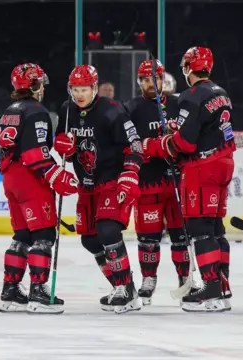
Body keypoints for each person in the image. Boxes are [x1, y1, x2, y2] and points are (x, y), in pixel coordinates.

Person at [142, 47, 235, 312]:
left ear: (187, 68)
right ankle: (222, 284)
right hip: (224, 163)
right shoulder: (221, 93)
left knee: (200, 229)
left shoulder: (190, 96)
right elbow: (209, 129)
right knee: (216, 227)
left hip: (202, 168)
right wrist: (178, 130)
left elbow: (184, 143)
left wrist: (156, 144)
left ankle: (211, 290)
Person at [54, 65, 144, 314]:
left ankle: (125, 289)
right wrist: (65, 149)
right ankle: (123, 287)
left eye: (84, 89)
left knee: (107, 230)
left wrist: (129, 174)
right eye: (75, 89)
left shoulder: (112, 111)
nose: (79, 94)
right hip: (87, 183)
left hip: (112, 181)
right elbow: (65, 144)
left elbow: (135, 146)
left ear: (94, 88)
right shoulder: (67, 110)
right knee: (90, 239)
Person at [0, 63, 78, 314]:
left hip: (11, 179)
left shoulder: (9, 111)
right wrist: (56, 175)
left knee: (22, 235)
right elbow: (35, 155)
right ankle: (39, 293)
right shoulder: (37, 112)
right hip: (31, 180)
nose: (42, 87)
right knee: (43, 235)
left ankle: (9, 291)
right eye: (39, 82)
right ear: (33, 85)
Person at [123, 59, 189, 306]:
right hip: (147, 181)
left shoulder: (178, 103)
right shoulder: (131, 107)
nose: (151, 84)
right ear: (140, 82)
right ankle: (148, 280)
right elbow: (128, 143)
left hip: (177, 182)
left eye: (156, 79)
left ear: (164, 80)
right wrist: (152, 148)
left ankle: (185, 279)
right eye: (146, 80)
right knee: (148, 238)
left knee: (181, 237)